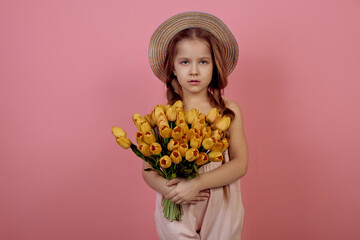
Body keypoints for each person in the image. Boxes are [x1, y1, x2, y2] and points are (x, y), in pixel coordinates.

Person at [143, 12, 248, 240]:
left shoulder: (228, 111)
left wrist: (197, 183)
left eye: (203, 62)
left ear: (214, 66)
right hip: (178, 203)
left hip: (222, 203)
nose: (194, 71)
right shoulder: (164, 116)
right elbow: (147, 170)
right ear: (173, 68)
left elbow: (240, 164)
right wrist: (169, 190)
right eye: (184, 62)